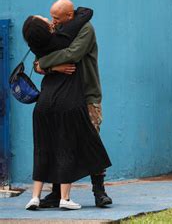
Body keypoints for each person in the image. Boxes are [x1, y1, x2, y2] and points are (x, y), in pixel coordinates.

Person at [22, 12, 111, 210]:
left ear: (68, 15)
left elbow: (73, 54)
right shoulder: (55, 34)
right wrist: (51, 67)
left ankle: (99, 191)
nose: (52, 20)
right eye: (50, 18)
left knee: (92, 141)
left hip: (87, 94)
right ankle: (56, 194)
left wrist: (44, 63)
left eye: (55, 16)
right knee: (58, 142)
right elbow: (37, 62)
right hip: (67, 98)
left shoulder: (84, 29)